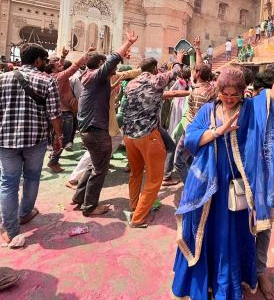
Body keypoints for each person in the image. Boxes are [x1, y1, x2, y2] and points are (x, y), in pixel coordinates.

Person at [171, 31, 274, 300]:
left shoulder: (252, 109)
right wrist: (216, 132)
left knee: (227, 248)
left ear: (243, 92)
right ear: (218, 91)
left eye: (234, 94)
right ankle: (199, 298)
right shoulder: (208, 110)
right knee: (200, 244)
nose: (229, 99)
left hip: (234, 197)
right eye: (224, 94)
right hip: (205, 194)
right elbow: (190, 139)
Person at [0, 43, 63, 245]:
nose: (45, 64)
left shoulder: (2, 79)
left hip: (6, 140)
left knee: (8, 183)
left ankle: (10, 229)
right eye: (44, 60)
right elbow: (54, 115)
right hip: (35, 139)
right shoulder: (47, 81)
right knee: (32, 177)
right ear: (38, 61)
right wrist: (58, 136)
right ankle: (25, 213)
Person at [71, 32, 138, 216]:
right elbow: (114, 59)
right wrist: (128, 43)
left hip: (90, 129)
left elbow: (117, 69)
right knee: (99, 169)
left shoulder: (88, 76)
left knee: (94, 165)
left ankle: (79, 198)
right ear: (101, 65)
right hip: (96, 131)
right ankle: (90, 207)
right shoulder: (95, 77)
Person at [122, 50, 184, 227]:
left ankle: (135, 206)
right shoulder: (155, 80)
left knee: (135, 173)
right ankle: (138, 218)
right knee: (154, 179)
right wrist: (178, 59)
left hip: (129, 135)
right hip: (148, 135)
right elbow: (175, 72)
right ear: (155, 68)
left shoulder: (131, 84)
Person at [173, 37, 216, 183]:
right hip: (206, 132)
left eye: (194, 71)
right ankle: (198, 180)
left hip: (192, 132)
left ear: (197, 75)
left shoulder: (197, 92)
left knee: (178, 161)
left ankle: (191, 186)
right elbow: (201, 68)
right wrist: (197, 49)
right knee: (192, 158)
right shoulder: (211, 88)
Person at [46, 46, 94, 172]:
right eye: (58, 65)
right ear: (54, 69)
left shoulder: (50, 75)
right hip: (65, 113)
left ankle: (54, 156)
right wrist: (87, 53)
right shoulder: (61, 77)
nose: (61, 65)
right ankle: (54, 161)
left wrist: (62, 57)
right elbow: (74, 66)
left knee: (57, 137)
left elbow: (59, 66)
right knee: (64, 138)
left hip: (56, 112)